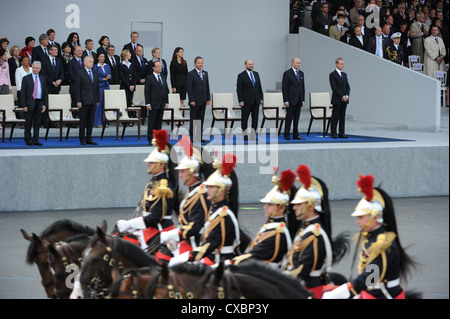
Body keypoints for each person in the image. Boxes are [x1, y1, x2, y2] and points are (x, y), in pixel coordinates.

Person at [323, 175, 416, 299]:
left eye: (361, 217)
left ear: (375, 217)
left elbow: (370, 279)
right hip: (372, 293)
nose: (357, 221)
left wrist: (341, 292)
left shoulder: (382, 243)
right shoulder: (372, 238)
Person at [168, 153, 240, 266]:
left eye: (211, 187)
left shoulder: (223, 215)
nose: (207, 190)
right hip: (212, 257)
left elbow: (210, 244)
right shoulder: (217, 211)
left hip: (219, 262)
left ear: (221, 190)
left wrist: (188, 256)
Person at [117, 130, 176, 256]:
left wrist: (130, 224)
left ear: (160, 165)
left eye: (152, 162)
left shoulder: (163, 186)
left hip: (159, 230)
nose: (148, 164)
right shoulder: (154, 182)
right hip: (149, 227)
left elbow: (155, 217)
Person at [160, 135, 210, 260]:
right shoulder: (192, 192)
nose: (180, 175)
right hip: (186, 242)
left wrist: (171, 235)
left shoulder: (201, 194)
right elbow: (184, 223)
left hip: (196, 246)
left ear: (193, 173)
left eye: (183, 172)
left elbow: (195, 227)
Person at [231, 168, 294, 266]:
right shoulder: (270, 226)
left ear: (281, 208)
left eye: (270, 205)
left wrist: (231, 263)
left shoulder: (278, 232)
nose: (265, 207)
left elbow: (256, 254)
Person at [73, 55, 100, 145]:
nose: (92, 63)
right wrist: (78, 100)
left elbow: (96, 87)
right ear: (85, 62)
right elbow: (77, 88)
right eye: (90, 61)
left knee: (91, 121)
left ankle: (89, 137)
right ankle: (82, 138)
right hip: (83, 100)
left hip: (93, 100)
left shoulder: (95, 72)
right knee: (83, 121)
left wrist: (97, 99)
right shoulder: (80, 73)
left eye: (92, 62)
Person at [20, 61, 48, 146]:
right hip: (29, 103)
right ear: (32, 68)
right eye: (34, 68)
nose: (35, 69)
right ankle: (28, 139)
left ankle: (36, 139)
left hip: (39, 102)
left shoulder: (43, 78)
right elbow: (23, 93)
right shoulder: (26, 78)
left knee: (37, 122)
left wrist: (45, 104)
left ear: (40, 69)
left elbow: (45, 92)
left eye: (37, 68)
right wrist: (24, 105)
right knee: (28, 122)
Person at [236, 59, 263, 141]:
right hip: (246, 102)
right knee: (245, 119)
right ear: (245, 65)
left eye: (252, 64)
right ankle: (245, 136)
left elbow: (259, 87)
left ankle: (253, 135)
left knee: (255, 119)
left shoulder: (256, 74)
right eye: (250, 64)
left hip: (256, 101)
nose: (251, 65)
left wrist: (261, 98)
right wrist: (241, 100)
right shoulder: (241, 75)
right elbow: (239, 89)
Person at [186, 56, 211, 143]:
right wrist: (191, 100)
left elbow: (207, 86)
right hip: (195, 101)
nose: (201, 64)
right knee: (194, 119)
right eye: (199, 63)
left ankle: (199, 136)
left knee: (201, 119)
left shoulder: (205, 73)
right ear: (195, 64)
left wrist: (208, 98)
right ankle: (192, 137)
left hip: (203, 100)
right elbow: (189, 88)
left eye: (202, 63)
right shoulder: (191, 74)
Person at [145, 60, 169, 143]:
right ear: (153, 68)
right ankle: (151, 138)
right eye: (158, 66)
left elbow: (165, 90)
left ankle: (158, 138)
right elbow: (147, 92)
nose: (160, 68)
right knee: (152, 121)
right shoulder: (149, 78)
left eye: (160, 66)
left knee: (159, 121)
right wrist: (148, 103)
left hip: (161, 103)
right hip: (153, 103)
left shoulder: (163, 77)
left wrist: (166, 102)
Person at [282, 57, 305, 140]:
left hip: (299, 99)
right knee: (289, 118)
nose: (299, 64)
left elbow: (302, 87)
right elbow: (284, 88)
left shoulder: (301, 73)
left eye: (300, 63)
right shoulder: (287, 73)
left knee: (296, 118)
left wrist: (302, 99)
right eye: (297, 63)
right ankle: (286, 134)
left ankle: (296, 134)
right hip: (291, 100)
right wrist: (286, 100)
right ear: (292, 63)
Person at [329, 57, 350, 139]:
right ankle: (333, 133)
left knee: (342, 116)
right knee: (335, 116)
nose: (342, 65)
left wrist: (347, 96)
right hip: (337, 99)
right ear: (336, 64)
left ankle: (342, 132)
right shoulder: (332, 75)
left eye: (343, 64)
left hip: (345, 100)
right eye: (341, 64)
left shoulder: (344, 74)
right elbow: (334, 88)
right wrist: (342, 96)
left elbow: (348, 87)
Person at [92, 52, 111, 127]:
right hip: (99, 87)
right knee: (99, 105)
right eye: (101, 56)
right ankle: (97, 122)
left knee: (105, 105)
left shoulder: (107, 65)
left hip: (106, 87)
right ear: (97, 58)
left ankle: (105, 121)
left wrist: (108, 77)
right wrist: (104, 78)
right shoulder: (95, 66)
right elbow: (95, 77)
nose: (103, 58)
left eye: (103, 56)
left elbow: (110, 74)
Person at [119, 49, 137, 120]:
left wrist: (133, 85)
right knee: (124, 103)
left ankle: (129, 118)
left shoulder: (131, 64)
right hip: (125, 87)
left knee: (129, 103)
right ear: (126, 55)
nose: (131, 55)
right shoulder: (121, 65)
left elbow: (135, 76)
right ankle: (124, 118)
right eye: (129, 54)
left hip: (132, 87)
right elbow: (122, 77)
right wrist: (129, 85)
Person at [68, 46, 84, 111]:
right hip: (75, 88)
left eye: (81, 50)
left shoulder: (84, 61)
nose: (80, 52)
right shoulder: (71, 62)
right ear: (74, 52)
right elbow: (71, 76)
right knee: (75, 107)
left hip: (84, 89)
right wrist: (83, 79)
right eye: (78, 51)